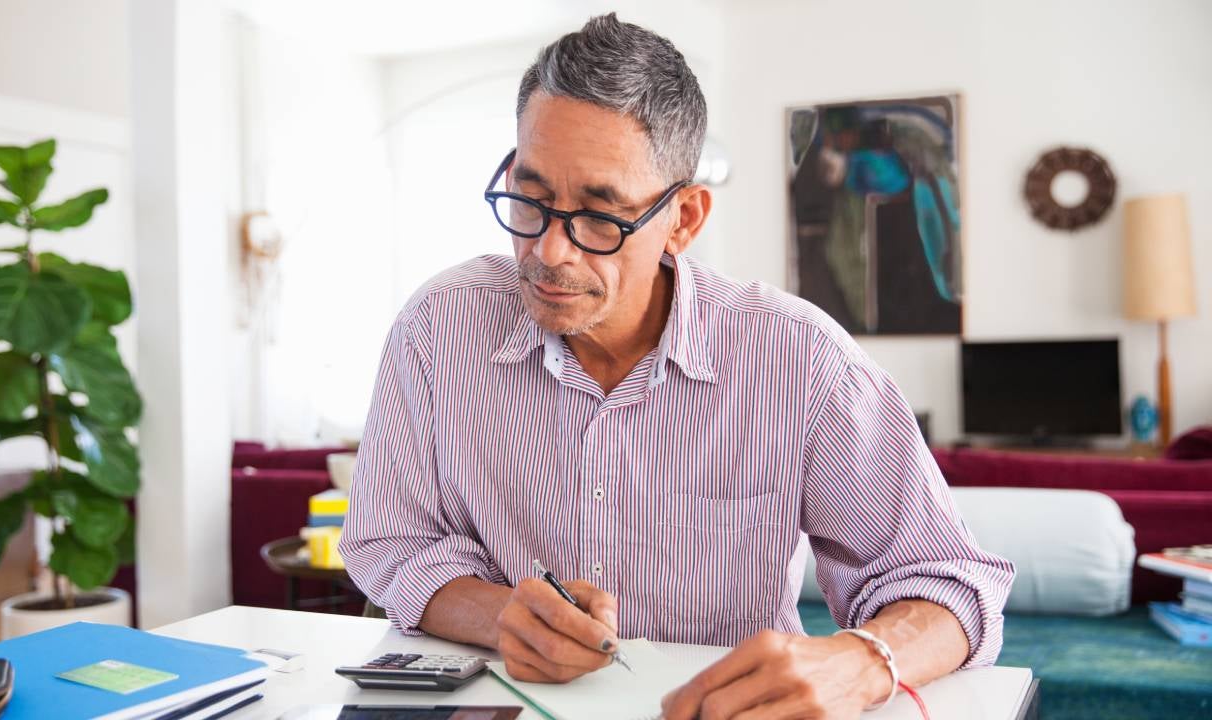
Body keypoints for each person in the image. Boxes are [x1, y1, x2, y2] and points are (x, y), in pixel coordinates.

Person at [339, 13, 1013, 719]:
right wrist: (500, 615)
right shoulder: (437, 329)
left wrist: (861, 662)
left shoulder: (801, 360)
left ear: (684, 219)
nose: (549, 253)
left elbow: (951, 583)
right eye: (531, 200)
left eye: (600, 216)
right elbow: (390, 542)